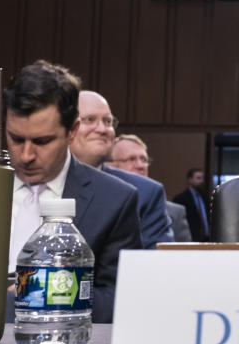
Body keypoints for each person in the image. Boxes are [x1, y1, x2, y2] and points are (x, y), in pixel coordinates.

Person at [4, 60, 141, 323]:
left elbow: (121, 300)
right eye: (16, 139)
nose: (26, 155)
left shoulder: (115, 201)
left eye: (42, 141)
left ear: (72, 131)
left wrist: (33, 293)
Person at [70, 91, 174, 249]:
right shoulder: (37, 180)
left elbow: (155, 265)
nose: (102, 129)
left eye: (108, 121)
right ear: (66, 127)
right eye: (90, 120)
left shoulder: (145, 193)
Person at [111, 133, 193, 242]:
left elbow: (184, 257)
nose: (141, 166)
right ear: (110, 165)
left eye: (144, 160)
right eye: (131, 159)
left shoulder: (176, 213)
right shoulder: (101, 207)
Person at [173, 168, 210, 242]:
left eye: (202, 178)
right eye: (198, 178)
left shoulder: (205, 197)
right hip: (190, 239)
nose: (202, 181)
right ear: (190, 180)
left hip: (207, 239)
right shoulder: (181, 199)